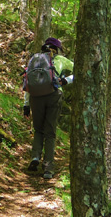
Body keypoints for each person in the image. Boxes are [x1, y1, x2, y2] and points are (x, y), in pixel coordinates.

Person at [22, 37, 73, 179]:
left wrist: (26, 105)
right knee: (50, 132)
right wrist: (66, 80)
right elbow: (79, 70)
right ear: (57, 49)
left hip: (35, 97)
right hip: (53, 95)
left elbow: (27, 81)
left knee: (38, 129)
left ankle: (35, 158)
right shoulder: (60, 60)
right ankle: (48, 169)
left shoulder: (35, 59)